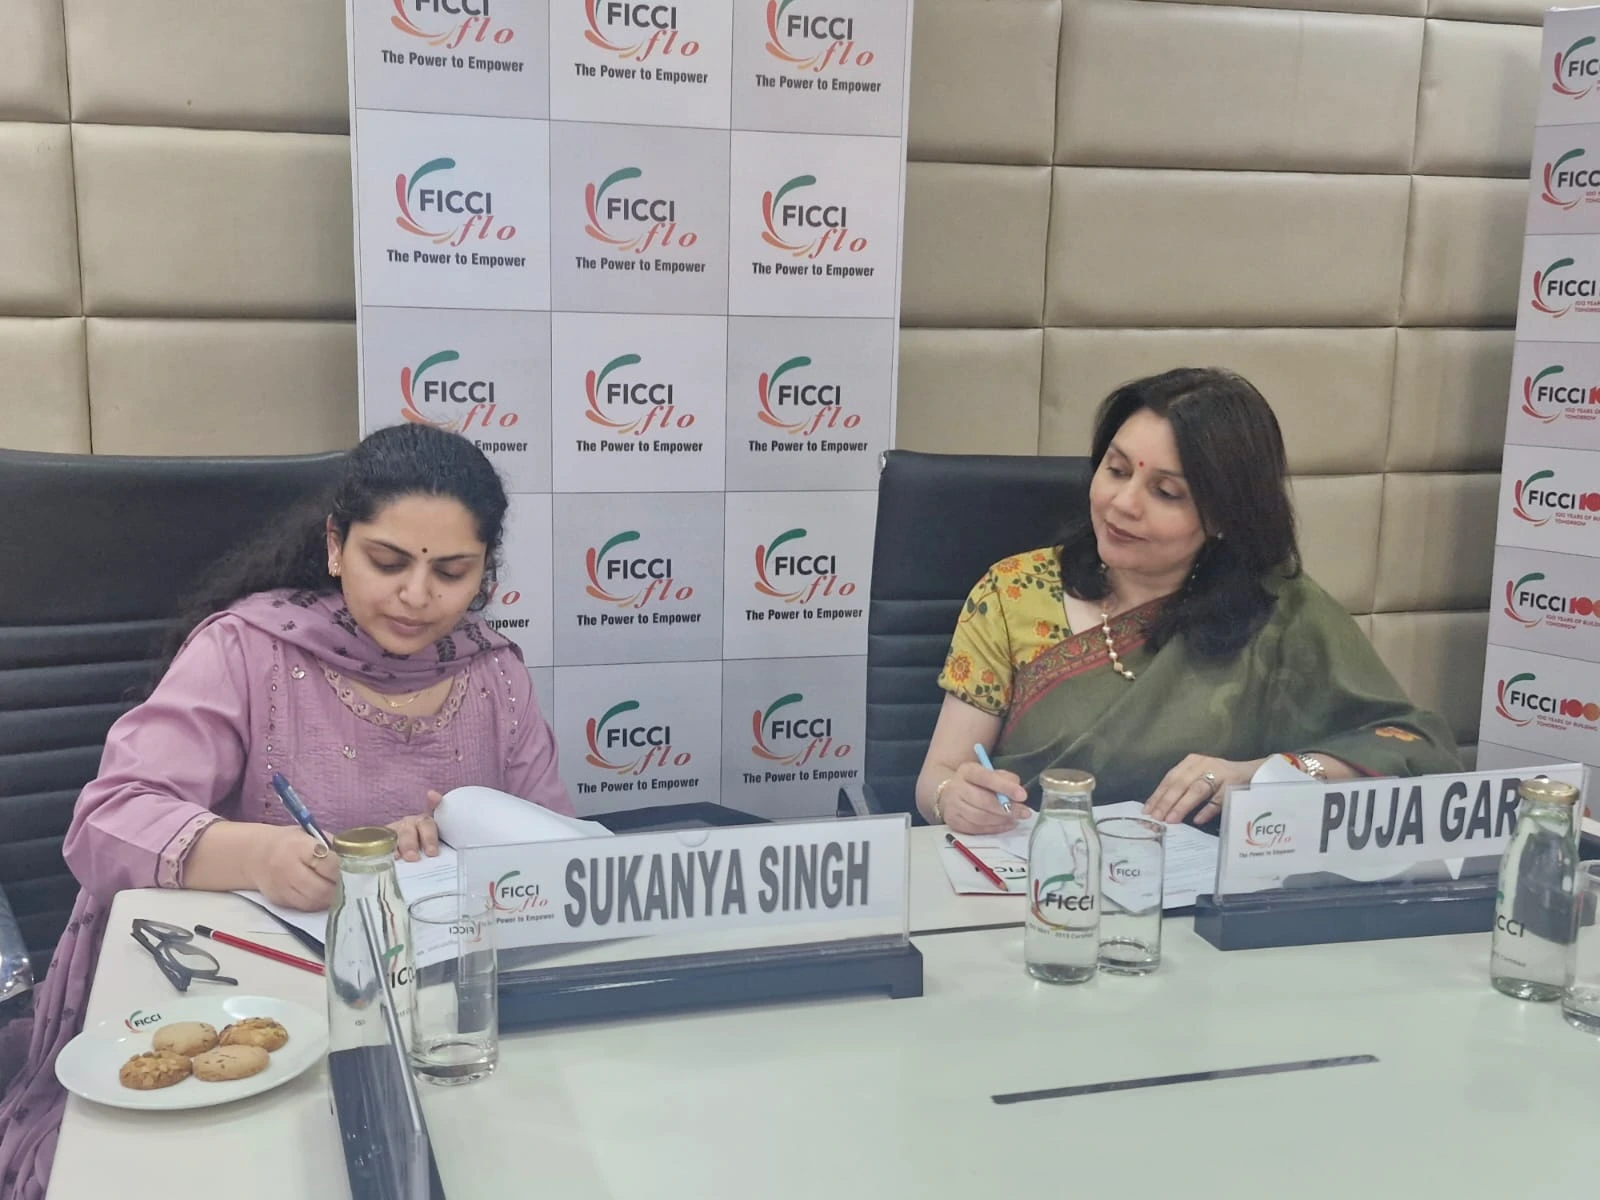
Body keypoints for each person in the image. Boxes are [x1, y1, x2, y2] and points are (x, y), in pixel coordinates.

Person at [0, 424, 572, 1198]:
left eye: (452, 571)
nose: (417, 595)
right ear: (336, 546)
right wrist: (266, 858)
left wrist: (472, 836)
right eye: (388, 561)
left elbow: (555, 860)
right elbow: (109, 817)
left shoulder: (494, 674)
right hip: (261, 1003)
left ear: (485, 570)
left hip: (443, 1021)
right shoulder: (250, 649)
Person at [917, 368, 1461, 836]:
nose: (1123, 503)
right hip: (1030, 883)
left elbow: (1416, 748)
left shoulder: (1278, 609)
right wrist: (952, 798)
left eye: (1166, 493)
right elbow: (936, 776)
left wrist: (1265, 773)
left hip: (1205, 902)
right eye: (1116, 470)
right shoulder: (1013, 591)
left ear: (1223, 513)